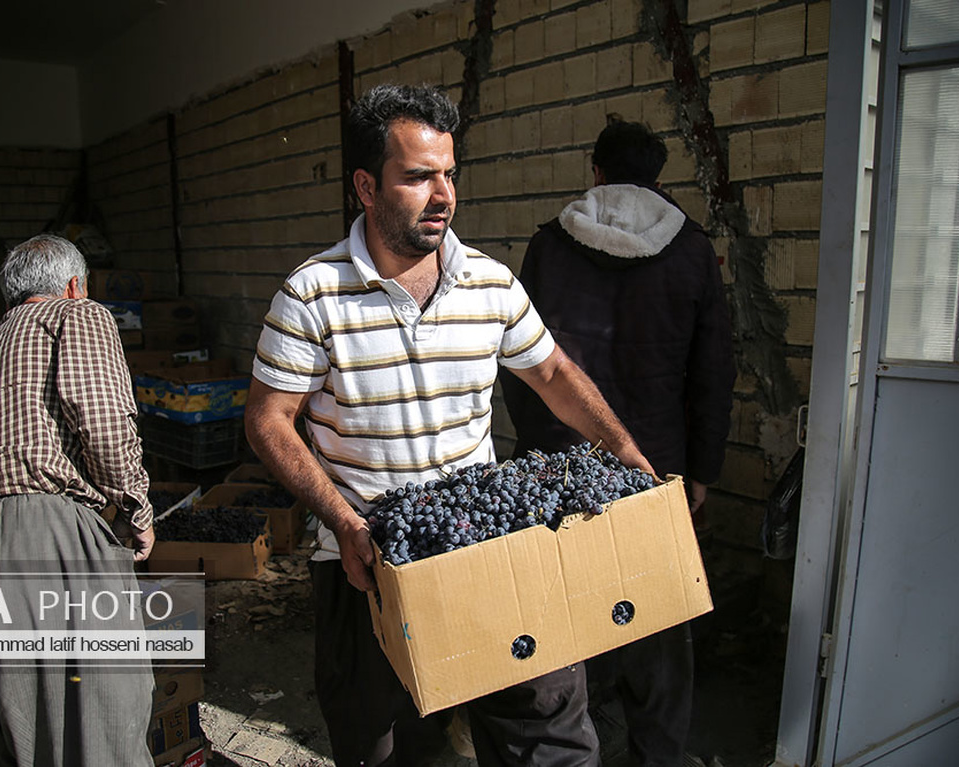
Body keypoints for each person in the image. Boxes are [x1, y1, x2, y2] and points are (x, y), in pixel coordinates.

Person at [244, 84, 654, 767]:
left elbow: (550, 373)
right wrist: (346, 524)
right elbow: (268, 422)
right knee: (389, 748)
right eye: (417, 177)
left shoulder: (488, 283)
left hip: (490, 554)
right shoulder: (311, 293)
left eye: (448, 173)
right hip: (368, 564)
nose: (442, 195)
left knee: (548, 735)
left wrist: (622, 447)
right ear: (365, 187)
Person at [502, 120, 736, 767]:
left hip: (557, 464)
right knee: (657, 622)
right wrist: (699, 472)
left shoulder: (551, 246)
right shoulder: (690, 249)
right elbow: (713, 371)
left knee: (556, 623)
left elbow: (520, 363)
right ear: (658, 179)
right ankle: (656, 756)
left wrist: (538, 446)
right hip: (654, 467)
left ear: (594, 170)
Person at [0, 233, 156, 767]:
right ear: (75, 285)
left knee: (2, 737)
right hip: (35, 534)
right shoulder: (75, 315)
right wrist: (136, 507)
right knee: (97, 728)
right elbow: (100, 418)